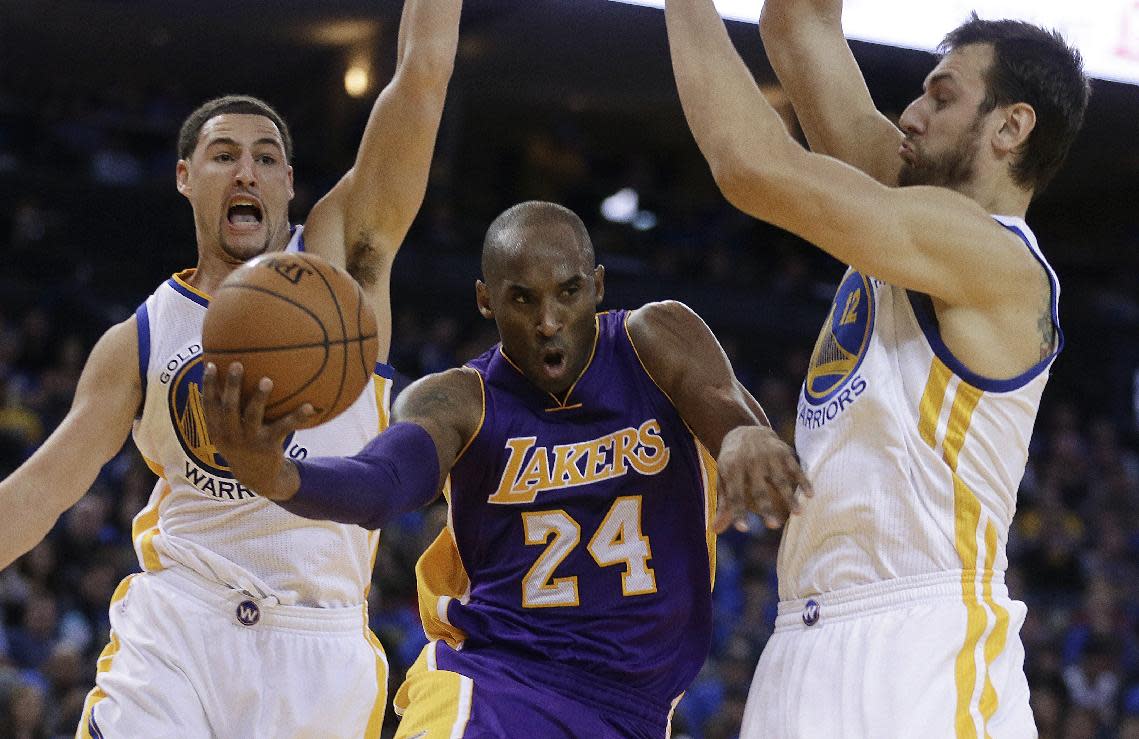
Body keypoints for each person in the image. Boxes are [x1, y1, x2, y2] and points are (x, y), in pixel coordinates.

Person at [0, 0, 462, 735]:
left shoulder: (345, 267)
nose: (246, 170)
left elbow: (421, 79)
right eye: (224, 155)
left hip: (320, 644)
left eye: (267, 157)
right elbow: (41, 489)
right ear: (186, 176)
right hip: (183, 620)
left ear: (287, 183)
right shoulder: (140, 338)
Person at [202, 200, 809, 738]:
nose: (548, 320)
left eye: (568, 292)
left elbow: (726, 406)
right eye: (522, 298)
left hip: (636, 712)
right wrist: (279, 476)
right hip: (494, 687)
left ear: (597, 286)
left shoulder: (654, 338)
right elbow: (384, 483)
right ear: (486, 299)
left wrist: (741, 437)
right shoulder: (458, 400)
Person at [664, 1, 1089, 736]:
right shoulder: (903, 206)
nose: (911, 112)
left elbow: (750, 164)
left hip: (921, 646)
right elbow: (797, 26)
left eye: (942, 95)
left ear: (1010, 127)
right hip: (804, 631)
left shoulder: (1000, 261)